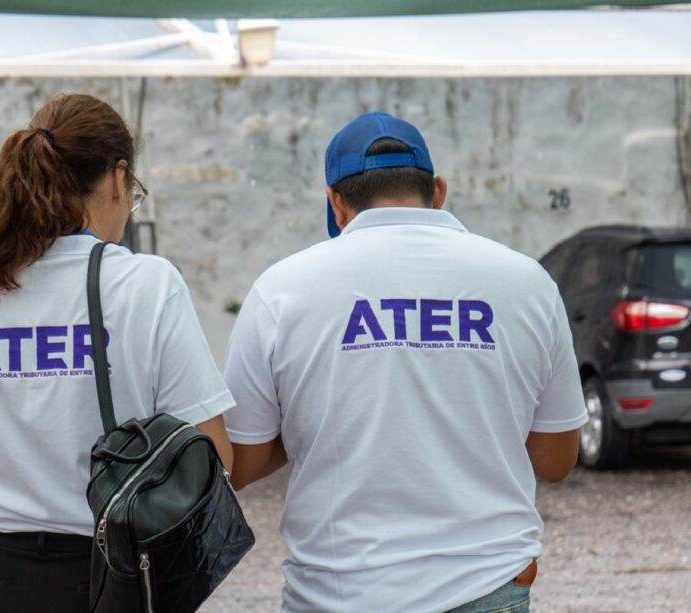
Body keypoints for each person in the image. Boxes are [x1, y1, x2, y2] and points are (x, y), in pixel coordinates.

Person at [223, 111, 587, 613]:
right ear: (438, 190)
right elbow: (556, 460)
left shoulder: (282, 289)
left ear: (335, 201)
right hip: (486, 587)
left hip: (335, 595)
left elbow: (239, 461)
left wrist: (319, 416)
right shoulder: (527, 283)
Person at [0, 93, 236, 613]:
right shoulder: (147, 284)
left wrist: (7, 481)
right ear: (117, 180)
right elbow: (214, 459)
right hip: (107, 577)